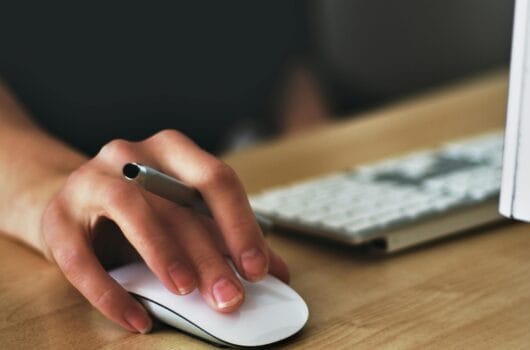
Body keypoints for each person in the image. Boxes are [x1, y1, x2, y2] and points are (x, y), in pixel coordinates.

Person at [0, 2, 327, 334]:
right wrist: (57, 192)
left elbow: (291, 65)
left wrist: (321, 187)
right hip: (73, 179)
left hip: (219, 198)